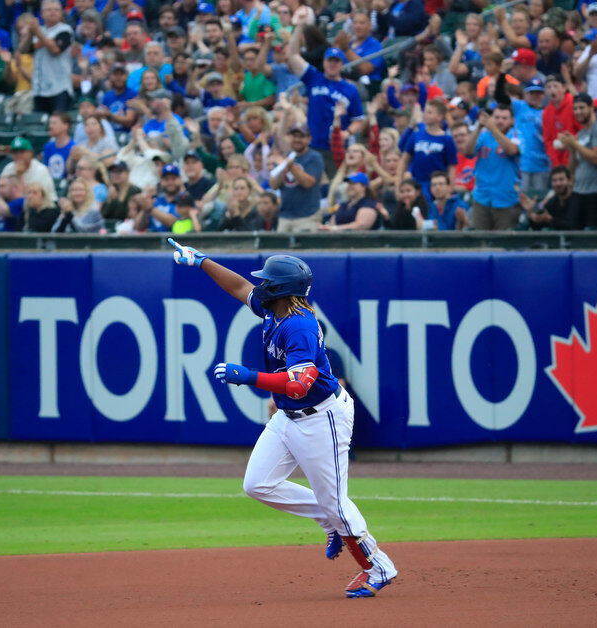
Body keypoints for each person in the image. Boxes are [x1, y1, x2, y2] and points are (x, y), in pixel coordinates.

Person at [167, 241, 398, 599]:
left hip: (322, 418)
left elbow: (298, 384)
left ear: (280, 288)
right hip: (289, 418)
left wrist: (249, 377)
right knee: (257, 484)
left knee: (337, 503)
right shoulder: (274, 308)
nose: (260, 284)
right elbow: (238, 287)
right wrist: (201, 261)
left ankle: (378, 566)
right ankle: (328, 521)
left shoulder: (299, 326)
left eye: (267, 280)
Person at [284, 26, 364, 176]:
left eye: (336, 61)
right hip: (312, 144)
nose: (333, 64)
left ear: (341, 64)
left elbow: (358, 119)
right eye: (330, 60)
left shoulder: (350, 89)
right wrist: (299, 25)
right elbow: (292, 55)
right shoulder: (313, 77)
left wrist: (348, 132)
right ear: (324, 62)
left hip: (336, 147)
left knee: (334, 183)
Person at [462, 106, 522, 230]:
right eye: (496, 117)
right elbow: (467, 151)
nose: (500, 121)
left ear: (512, 121)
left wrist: (492, 128)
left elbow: (511, 150)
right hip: (482, 197)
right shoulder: (483, 136)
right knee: (480, 239)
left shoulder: (516, 134)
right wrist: (478, 127)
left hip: (506, 199)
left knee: (504, 239)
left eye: (504, 118)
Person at [557, 93, 597, 229]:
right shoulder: (581, 134)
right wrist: (571, 148)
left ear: (591, 108)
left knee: (594, 235)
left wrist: (575, 144)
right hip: (579, 191)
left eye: (581, 108)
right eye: (575, 108)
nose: (578, 112)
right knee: (575, 233)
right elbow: (572, 168)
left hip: (596, 193)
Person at [398, 100, 457, 201]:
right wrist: (399, 183)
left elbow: (452, 166)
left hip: (437, 185)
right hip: (417, 183)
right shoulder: (416, 135)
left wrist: (450, 188)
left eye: (430, 112)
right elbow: (404, 160)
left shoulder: (447, 139)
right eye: (425, 111)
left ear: (440, 117)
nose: (425, 115)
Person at [269, 124, 323, 232]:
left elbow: (309, 183)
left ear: (309, 139)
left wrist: (291, 167)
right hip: (285, 216)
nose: (297, 139)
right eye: (294, 136)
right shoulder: (285, 156)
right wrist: (283, 168)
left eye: (301, 136)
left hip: (307, 216)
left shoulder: (314, 157)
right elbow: (273, 185)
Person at [29, 0, 75, 113]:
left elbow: (55, 50)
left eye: (56, 10)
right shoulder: (39, 30)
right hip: (39, 88)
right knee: (39, 122)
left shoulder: (65, 29)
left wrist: (38, 33)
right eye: (49, 10)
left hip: (59, 88)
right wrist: (30, 31)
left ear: (61, 13)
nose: (53, 12)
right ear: (42, 13)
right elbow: (25, 49)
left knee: (59, 120)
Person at [0, 136, 57, 202]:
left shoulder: (41, 170)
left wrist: (19, 176)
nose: (18, 155)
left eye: (22, 152)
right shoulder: (9, 168)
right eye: (15, 152)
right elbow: (1, 192)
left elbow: (37, 199)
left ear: (31, 153)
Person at [519, 166, 576, 230]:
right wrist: (530, 211)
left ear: (569, 181)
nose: (558, 184)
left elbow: (572, 224)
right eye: (554, 180)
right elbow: (537, 226)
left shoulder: (576, 200)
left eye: (561, 179)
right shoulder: (553, 202)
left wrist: (550, 220)